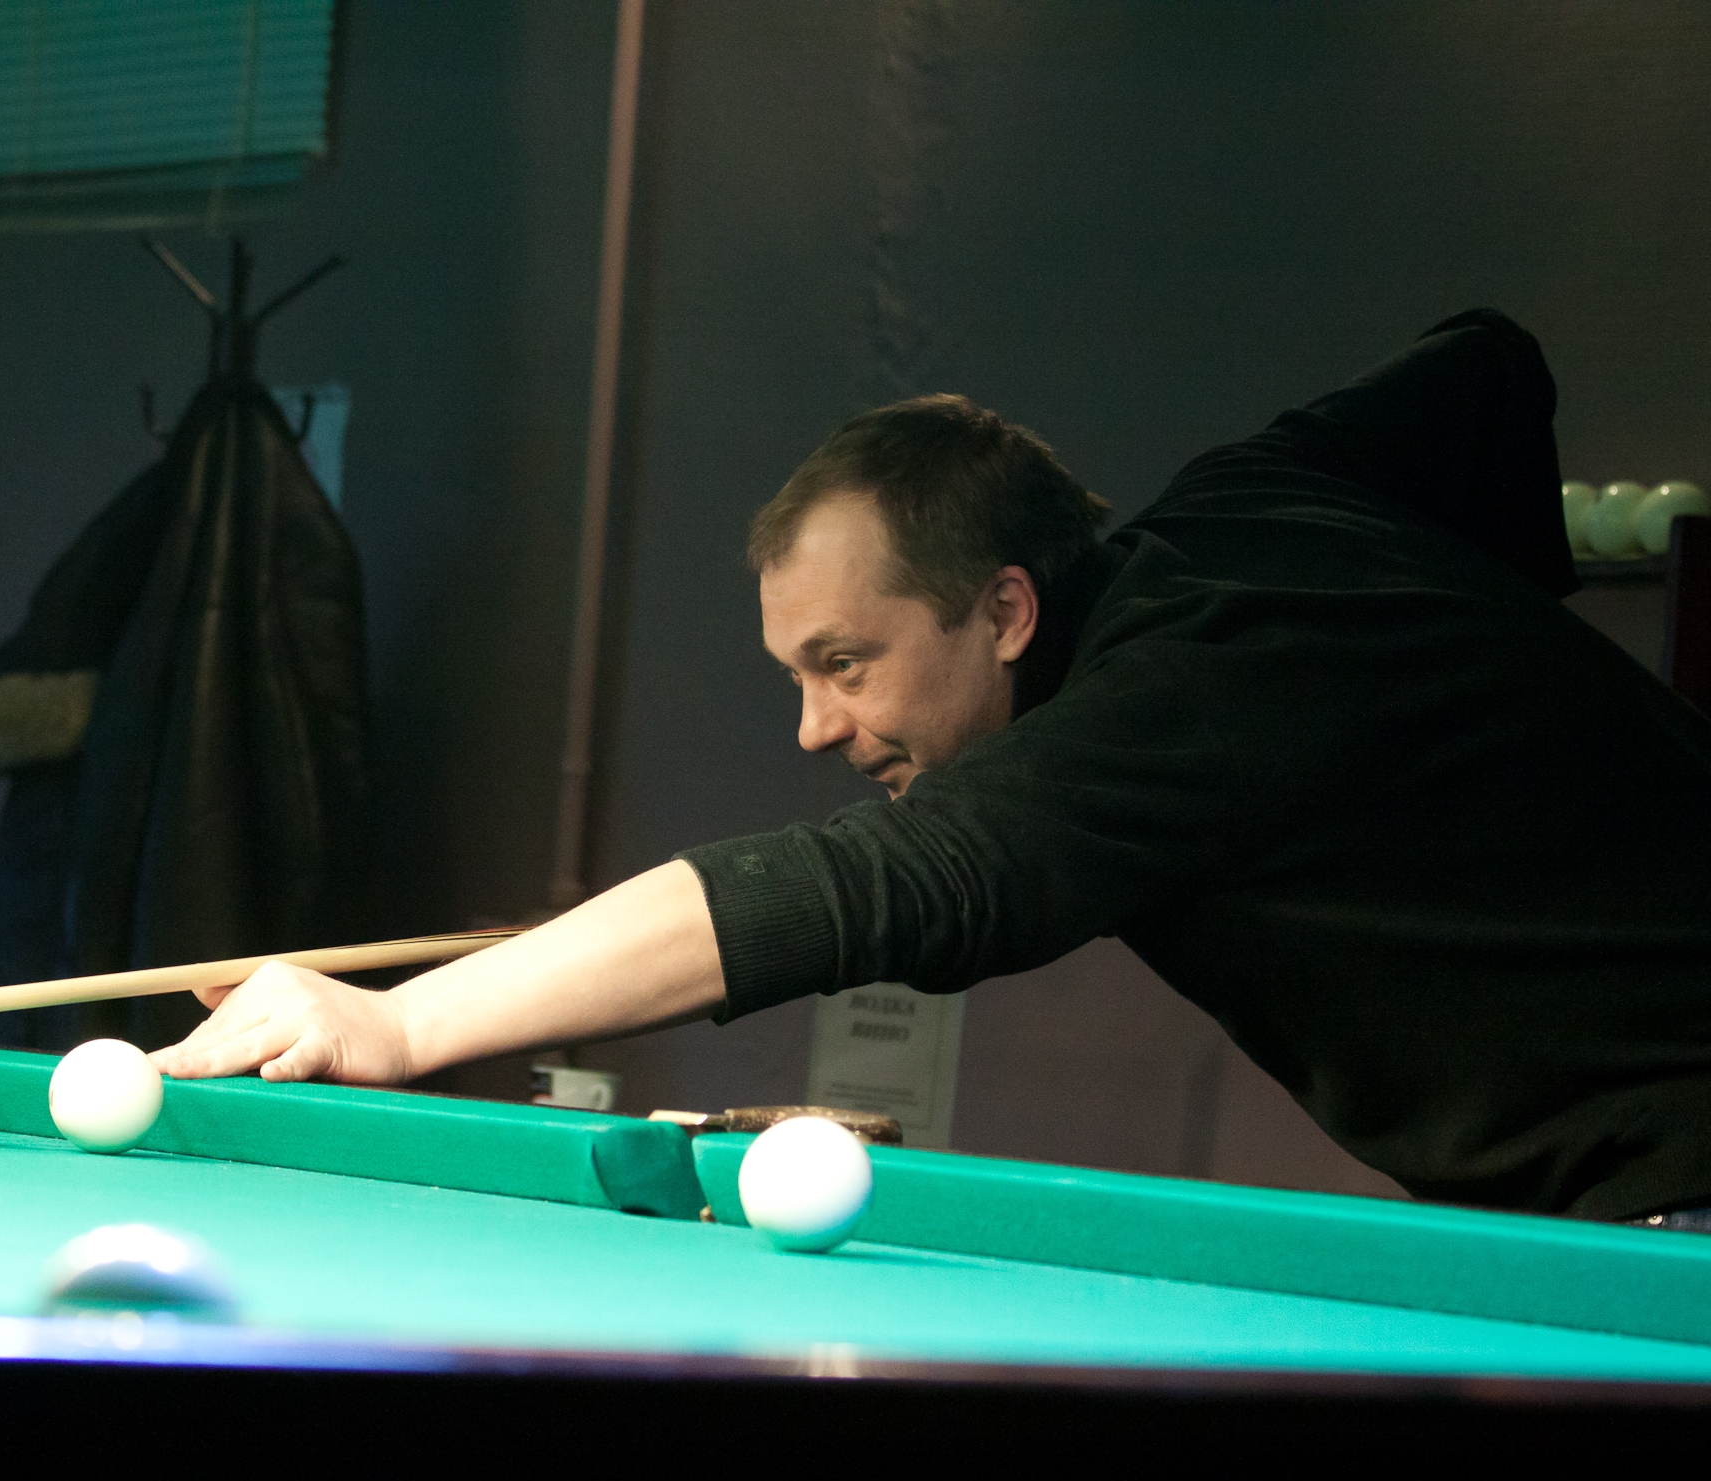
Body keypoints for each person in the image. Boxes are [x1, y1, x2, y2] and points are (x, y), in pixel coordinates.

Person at [150, 310, 1711, 1224]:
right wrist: (1492, 675)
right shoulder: (1261, 496)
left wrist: (400, 1020)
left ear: (1008, 610)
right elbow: (1488, 365)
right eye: (796, 675)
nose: (816, 729)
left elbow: (862, 887)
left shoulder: (1163, 715)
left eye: (846, 663)